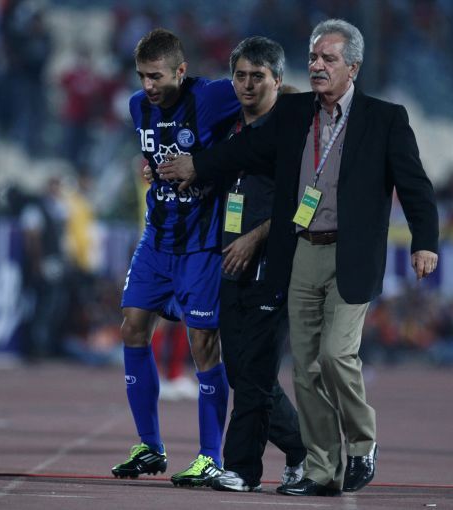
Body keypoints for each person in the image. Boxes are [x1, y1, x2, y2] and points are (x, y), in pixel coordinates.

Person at [158, 19, 439, 497]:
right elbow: (245, 149)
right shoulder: (293, 112)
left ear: (353, 67)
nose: (317, 65)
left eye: (329, 58)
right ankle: (322, 469)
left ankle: (362, 442)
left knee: (335, 354)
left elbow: (415, 185)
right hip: (302, 248)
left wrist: (424, 241)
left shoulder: (385, 118)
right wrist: (196, 165)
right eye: (313, 57)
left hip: (351, 254)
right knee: (306, 366)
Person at [111, 28, 240, 487]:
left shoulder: (211, 97)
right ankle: (150, 445)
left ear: (181, 71)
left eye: (157, 76)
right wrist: (152, 167)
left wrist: (211, 163)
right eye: (142, 76)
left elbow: (264, 98)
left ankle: (210, 456)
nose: (148, 85)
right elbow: (154, 152)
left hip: (202, 244)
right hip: (157, 238)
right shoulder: (137, 107)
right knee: (132, 325)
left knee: (203, 343)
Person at [208, 37, 307, 493]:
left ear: (277, 80)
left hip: (273, 263)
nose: (247, 85)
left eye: (258, 77)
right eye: (241, 76)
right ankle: (305, 447)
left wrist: (255, 237)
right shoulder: (232, 130)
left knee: (256, 373)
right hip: (231, 262)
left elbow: (304, 202)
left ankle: (242, 469)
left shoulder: (293, 134)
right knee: (240, 372)